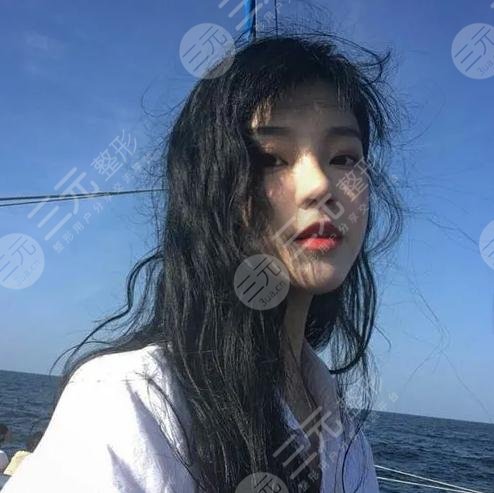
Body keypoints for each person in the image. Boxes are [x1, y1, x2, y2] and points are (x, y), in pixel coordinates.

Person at [2, 30, 405, 493]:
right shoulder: (131, 401)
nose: (320, 186)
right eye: (270, 158)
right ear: (211, 192)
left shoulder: (348, 441)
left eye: (344, 158)